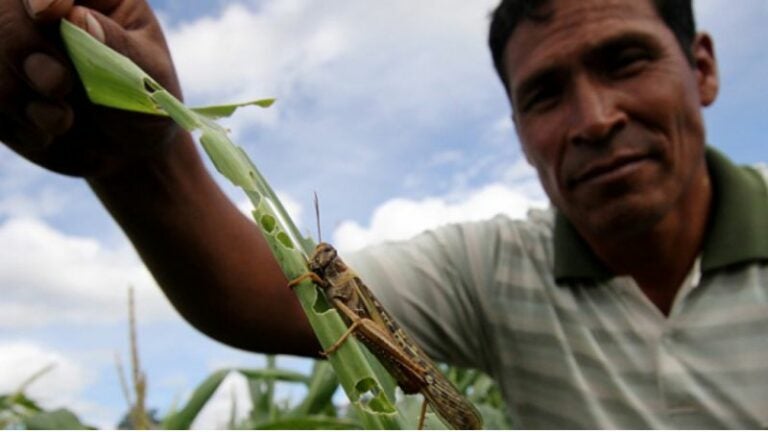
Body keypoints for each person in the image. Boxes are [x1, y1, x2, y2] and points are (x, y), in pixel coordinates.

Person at [1, 0, 766, 428]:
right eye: (545, 92)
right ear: (516, 125)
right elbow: (268, 296)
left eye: (624, 61)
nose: (594, 118)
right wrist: (139, 147)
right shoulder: (490, 267)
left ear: (702, 66)